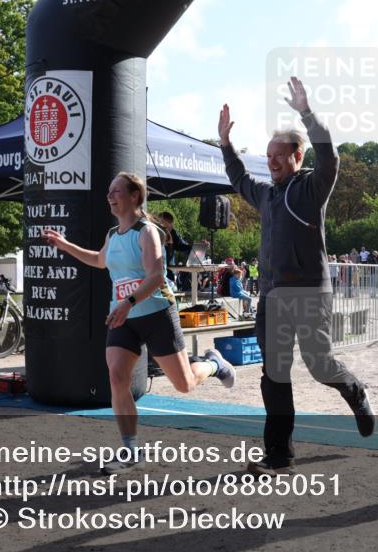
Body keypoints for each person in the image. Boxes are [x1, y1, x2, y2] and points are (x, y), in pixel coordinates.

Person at [218, 76, 374, 477]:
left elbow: (331, 158)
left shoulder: (311, 188)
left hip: (309, 294)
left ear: (297, 156)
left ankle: (354, 390)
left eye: (278, 155)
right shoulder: (266, 194)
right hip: (272, 296)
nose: (270, 161)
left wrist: (306, 113)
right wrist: (225, 144)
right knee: (274, 374)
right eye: (268, 155)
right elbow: (238, 178)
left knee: (320, 365)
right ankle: (279, 455)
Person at [44, 172, 236, 474]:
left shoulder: (148, 232)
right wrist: (65, 245)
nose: (110, 196)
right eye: (109, 191)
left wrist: (128, 302)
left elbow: (157, 276)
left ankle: (214, 364)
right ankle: (131, 450)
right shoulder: (113, 234)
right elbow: (99, 260)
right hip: (123, 317)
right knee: (117, 378)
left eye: (116, 191)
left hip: (156, 313)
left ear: (135, 196)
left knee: (184, 384)